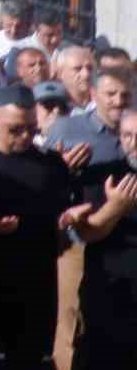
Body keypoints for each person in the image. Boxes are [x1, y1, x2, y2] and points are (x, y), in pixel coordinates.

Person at [0, 83, 78, 370]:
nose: (25, 137)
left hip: (33, 284)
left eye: (32, 129)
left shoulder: (51, 164)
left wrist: (70, 218)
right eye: (15, 129)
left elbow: (61, 212)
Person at [42, 65, 130, 370]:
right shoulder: (68, 129)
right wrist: (64, 167)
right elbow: (45, 181)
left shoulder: (131, 127)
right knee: (73, 321)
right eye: (110, 94)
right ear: (93, 94)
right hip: (80, 240)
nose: (118, 101)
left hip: (124, 246)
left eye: (125, 95)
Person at [61, 109, 137, 368]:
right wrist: (115, 208)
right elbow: (87, 233)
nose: (133, 143)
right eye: (127, 135)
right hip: (110, 292)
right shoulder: (105, 176)